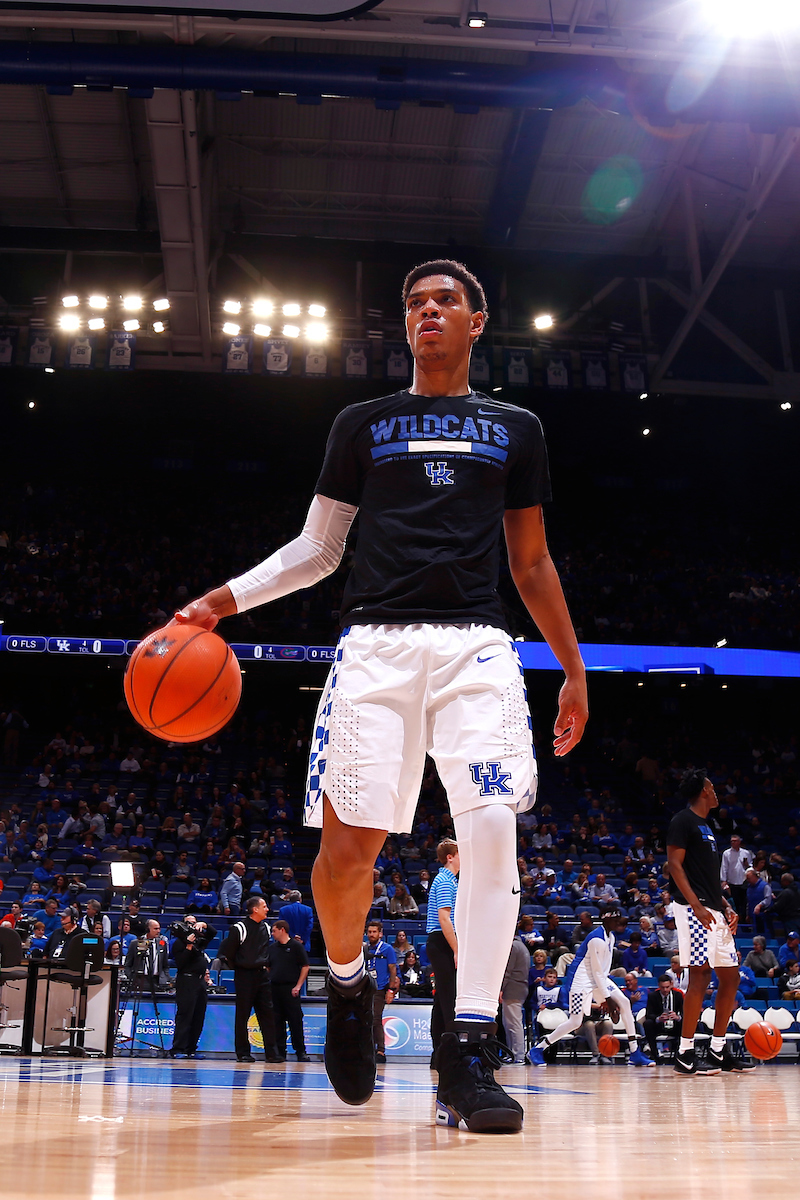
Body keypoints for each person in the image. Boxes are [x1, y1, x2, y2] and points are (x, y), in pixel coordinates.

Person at [174, 259, 588, 1134]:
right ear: (406, 325)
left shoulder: (516, 428)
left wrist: (574, 670)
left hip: (477, 648)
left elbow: (532, 562)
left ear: (478, 322)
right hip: (373, 647)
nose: (429, 312)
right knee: (346, 856)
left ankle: (465, 1054)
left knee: (490, 829)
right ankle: (351, 982)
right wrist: (219, 602)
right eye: (415, 303)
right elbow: (319, 548)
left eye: (446, 302)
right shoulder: (364, 423)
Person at [666, 768, 755, 1075]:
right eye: (712, 787)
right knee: (701, 976)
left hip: (713, 909)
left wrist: (725, 905)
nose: (716, 791)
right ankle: (685, 1053)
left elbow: (706, 877)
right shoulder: (683, 821)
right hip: (692, 909)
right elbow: (674, 866)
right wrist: (697, 906)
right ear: (703, 791)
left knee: (731, 977)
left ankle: (718, 1050)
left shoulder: (707, 827)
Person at [528, 906, 654, 1067]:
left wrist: (604, 997)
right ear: (606, 919)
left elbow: (603, 972)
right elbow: (595, 972)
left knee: (624, 1002)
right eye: (615, 920)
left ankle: (635, 1051)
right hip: (580, 981)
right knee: (575, 1022)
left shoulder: (611, 937)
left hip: (598, 977)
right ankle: (538, 1049)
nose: (618, 923)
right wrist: (606, 999)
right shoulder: (596, 940)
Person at [219, 895, 282, 1063]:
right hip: (244, 975)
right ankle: (243, 1052)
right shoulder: (239, 928)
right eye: (264, 906)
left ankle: (272, 1053)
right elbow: (228, 953)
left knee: (268, 1014)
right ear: (255, 909)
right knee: (242, 1015)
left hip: (262, 975)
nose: (267, 909)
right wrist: (241, 966)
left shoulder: (267, 928)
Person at [425, 839, 459, 1065]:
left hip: (440, 941)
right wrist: (456, 949)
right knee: (449, 998)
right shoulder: (445, 880)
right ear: (450, 856)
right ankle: (451, 1053)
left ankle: (438, 1053)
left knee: (441, 1001)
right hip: (442, 940)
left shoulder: (449, 880)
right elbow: (444, 918)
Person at [170, 916, 216, 1059]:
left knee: (198, 1016)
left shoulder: (199, 941)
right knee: (185, 1015)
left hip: (200, 982)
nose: (192, 925)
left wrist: (204, 924)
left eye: (194, 923)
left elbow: (212, 933)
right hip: (186, 981)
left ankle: (191, 1049)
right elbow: (181, 963)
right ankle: (178, 1048)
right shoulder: (178, 943)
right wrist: (188, 946)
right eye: (190, 923)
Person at [268, 919, 311, 1062]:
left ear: (282, 930)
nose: (272, 934)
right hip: (275, 988)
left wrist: (298, 986)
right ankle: (280, 1052)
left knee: (295, 1021)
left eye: (274, 931)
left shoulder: (296, 946)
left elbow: (305, 966)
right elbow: (268, 966)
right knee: (277, 1021)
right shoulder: (272, 948)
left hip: (291, 988)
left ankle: (300, 1051)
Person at [364, 920, 399, 1064]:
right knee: (366, 1019)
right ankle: (368, 1048)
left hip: (380, 988)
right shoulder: (364, 949)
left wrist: (391, 990)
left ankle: (381, 1050)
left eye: (374, 932)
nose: (372, 934)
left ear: (380, 933)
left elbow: (392, 969)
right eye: (369, 932)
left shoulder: (387, 949)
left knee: (376, 1018)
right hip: (365, 989)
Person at [500, 930, 530, 1064]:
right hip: (518, 988)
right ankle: (513, 1053)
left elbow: (507, 970)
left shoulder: (513, 946)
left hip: (513, 989)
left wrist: (500, 988)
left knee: (514, 1024)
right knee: (509, 1023)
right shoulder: (522, 946)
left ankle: (518, 1056)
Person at [642, 974, 684, 1063]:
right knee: (648, 1023)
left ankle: (679, 1055)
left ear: (671, 985)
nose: (665, 990)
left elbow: (684, 1013)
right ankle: (655, 1054)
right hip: (659, 1026)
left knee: (683, 1023)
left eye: (667, 987)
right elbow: (649, 1014)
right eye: (662, 987)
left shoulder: (678, 995)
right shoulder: (653, 996)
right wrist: (658, 1018)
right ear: (659, 986)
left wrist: (677, 1017)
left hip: (674, 1025)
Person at [720, 834, 753, 922]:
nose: (733, 842)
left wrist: (747, 865)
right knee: (734, 903)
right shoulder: (726, 853)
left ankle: (744, 921)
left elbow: (750, 866)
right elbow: (724, 867)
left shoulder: (745, 852)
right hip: (732, 881)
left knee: (744, 903)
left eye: (735, 841)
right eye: (732, 841)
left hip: (743, 881)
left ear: (739, 842)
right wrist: (723, 880)